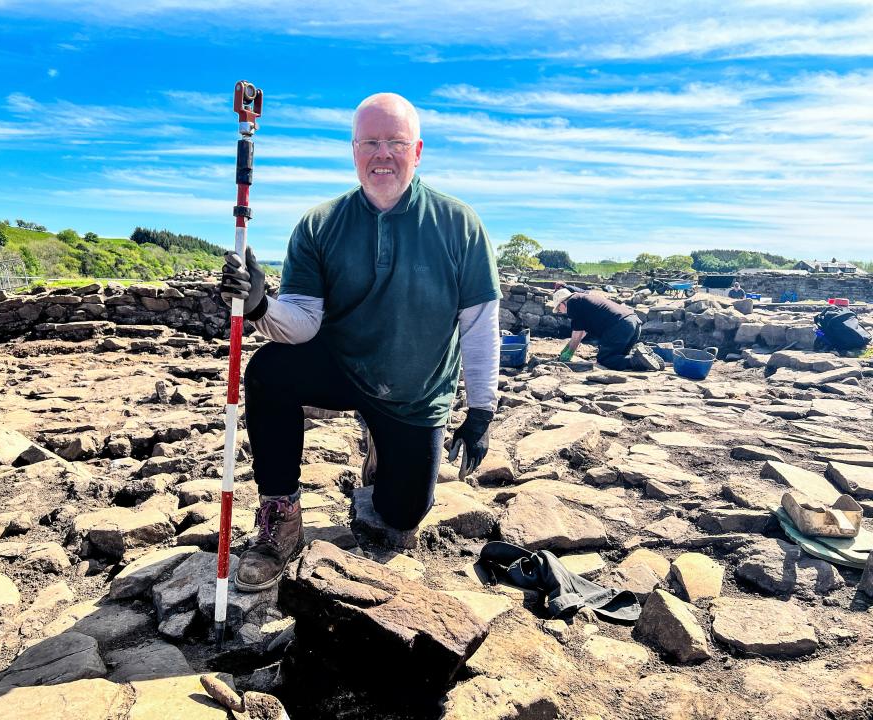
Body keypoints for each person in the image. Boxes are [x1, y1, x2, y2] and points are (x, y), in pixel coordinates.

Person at [219, 93, 502, 592]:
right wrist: (262, 306)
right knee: (269, 371)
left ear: (417, 151)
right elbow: (304, 322)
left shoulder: (459, 224)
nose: (383, 154)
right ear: (353, 150)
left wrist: (480, 413)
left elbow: (479, 322)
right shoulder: (319, 224)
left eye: (395, 142)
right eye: (370, 142)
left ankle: (383, 448)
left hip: (414, 391)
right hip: (342, 365)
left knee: (398, 518)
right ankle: (279, 517)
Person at [550, 288, 663, 371]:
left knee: (605, 359)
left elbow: (577, 334)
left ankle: (639, 360)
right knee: (618, 357)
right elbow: (582, 332)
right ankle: (645, 357)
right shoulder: (582, 300)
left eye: (559, 309)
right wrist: (567, 348)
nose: (560, 312)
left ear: (562, 303)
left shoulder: (572, 303)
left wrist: (569, 353)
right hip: (633, 322)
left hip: (620, 326)